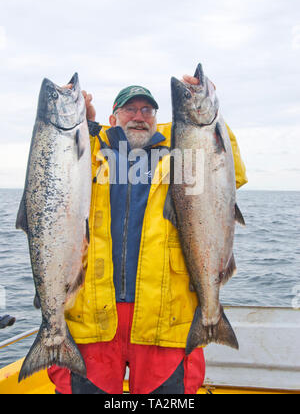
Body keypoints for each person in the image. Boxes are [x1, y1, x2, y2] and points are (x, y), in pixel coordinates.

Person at [48, 73, 248, 394]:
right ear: (113, 117)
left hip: (165, 318)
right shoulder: (87, 154)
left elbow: (227, 174)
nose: (139, 117)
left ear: (157, 119)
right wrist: (82, 125)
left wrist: (210, 115)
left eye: (147, 111)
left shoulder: (181, 154)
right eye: (130, 110)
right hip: (92, 320)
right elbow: (55, 183)